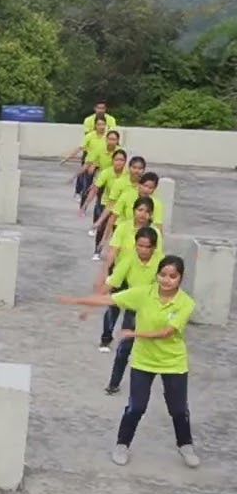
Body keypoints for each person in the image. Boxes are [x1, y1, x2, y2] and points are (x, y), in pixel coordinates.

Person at [58, 255, 199, 469]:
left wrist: (134, 334)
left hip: (173, 362)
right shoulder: (144, 293)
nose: (166, 280)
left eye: (172, 276)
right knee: (136, 407)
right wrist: (78, 301)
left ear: (180, 278)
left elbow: (166, 332)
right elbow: (110, 300)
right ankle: (122, 445)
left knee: (178, 409)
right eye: (163, 274)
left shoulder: (185, 303)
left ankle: (185, 445)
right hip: (144, 360)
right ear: (157, 275)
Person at [99, 225, 163, 394]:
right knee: (124, 347)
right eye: (139, 246)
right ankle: (114, 383)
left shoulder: (161, 263)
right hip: (134, 310)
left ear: (154, 247)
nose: (142, 250)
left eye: (146, 247)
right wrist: (92, 302)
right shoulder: (130, 258)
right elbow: (114, 280)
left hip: (154, 311)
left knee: (154, 350)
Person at [97, 196, 158, 353]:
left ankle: (127, 341)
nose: (143, 214)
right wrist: (105, 271)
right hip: (121, 273)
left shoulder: (155, 232)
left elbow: (158, 256)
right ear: (133, 211)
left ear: (151, 214)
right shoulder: (123, 228)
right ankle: (106, 338)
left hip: (141, 276)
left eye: (147, 211)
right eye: (140, 210)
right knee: (113, 306)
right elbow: (113, 251)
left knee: (133, 312)